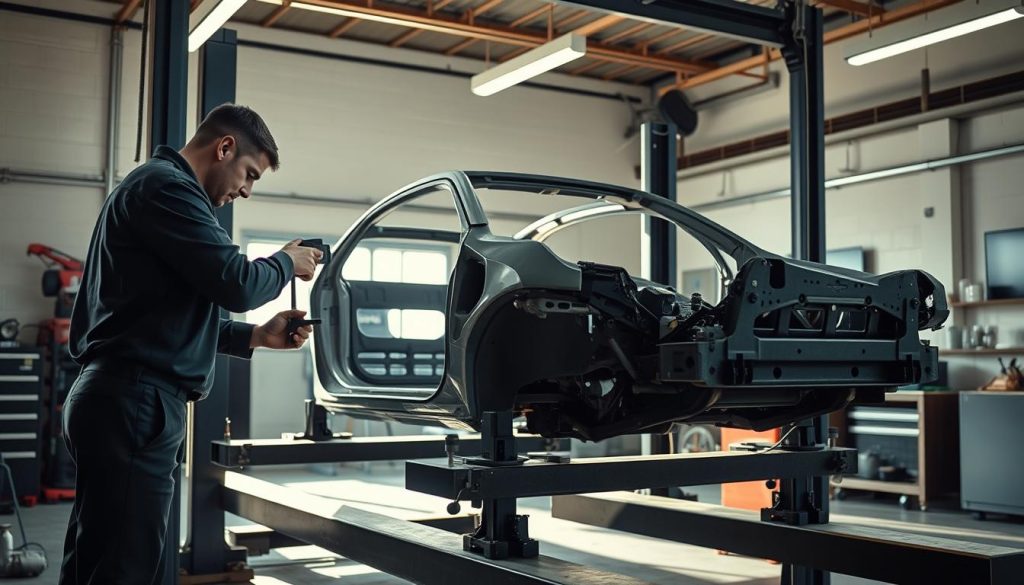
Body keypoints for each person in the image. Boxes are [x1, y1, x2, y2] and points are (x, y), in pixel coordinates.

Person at [60, 104, 321, 585]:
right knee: (124, 568)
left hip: (122, 398)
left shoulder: (157, 191)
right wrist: (287, 261)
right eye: (249, 174)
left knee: (98, 561)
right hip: (136, 403)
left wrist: (256, 336)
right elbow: (236, 282)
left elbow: (163, 319)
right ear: (224, 147)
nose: (245, 189)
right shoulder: (167, 188)